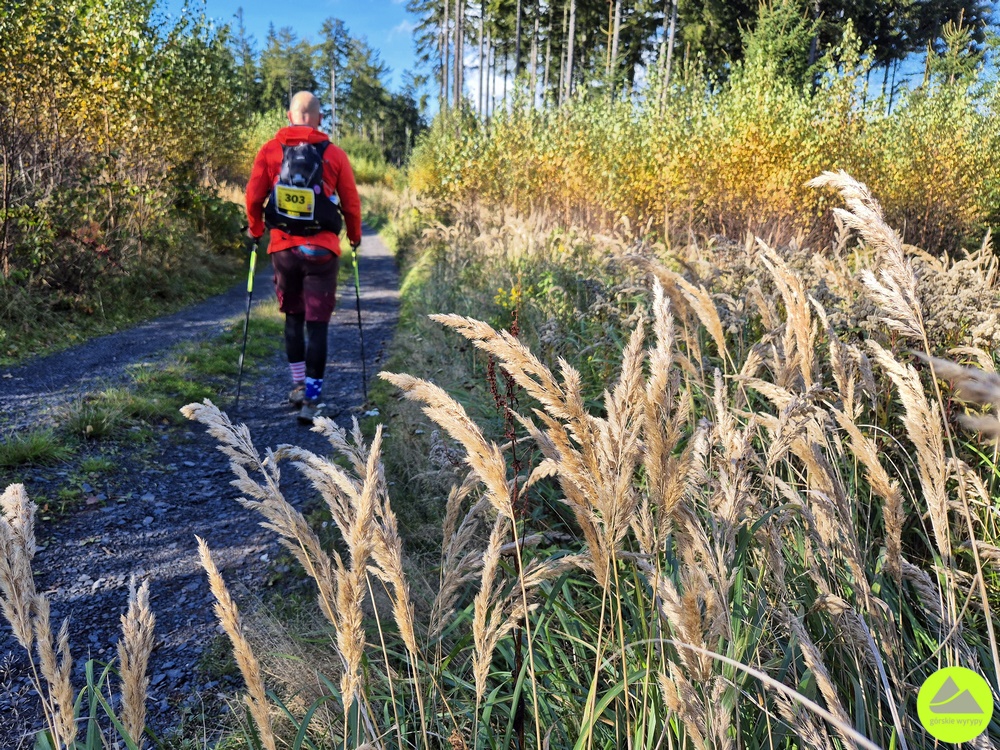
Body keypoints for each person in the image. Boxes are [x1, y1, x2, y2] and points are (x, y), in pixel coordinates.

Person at [246, 91, 362, 424]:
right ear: (319, 118)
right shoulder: (335, 154)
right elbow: (351, 204)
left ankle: (297, 385)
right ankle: (312, 398)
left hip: (283, 249)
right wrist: (354, 238)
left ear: (289, 115)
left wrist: (256, 231)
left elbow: (253, 197)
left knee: (293, 319)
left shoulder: (270, 151)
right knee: (318, 324)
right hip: (322, 251)